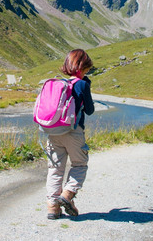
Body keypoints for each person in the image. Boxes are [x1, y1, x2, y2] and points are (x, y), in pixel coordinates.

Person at [46, 49, 94, 220]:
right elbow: (90, 110)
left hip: (53, 132)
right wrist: (86, 86)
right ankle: (67, 195)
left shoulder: (60, 84)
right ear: (82, 67)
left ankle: (53, 207)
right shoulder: (82, 84)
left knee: (55, 169)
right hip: (73, 132)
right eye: (87, 69)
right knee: (80, 165)